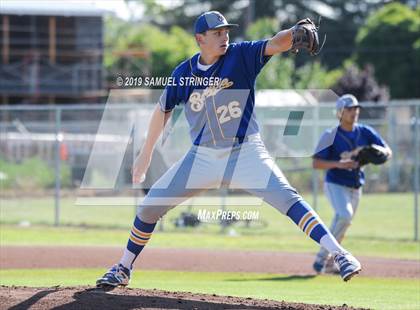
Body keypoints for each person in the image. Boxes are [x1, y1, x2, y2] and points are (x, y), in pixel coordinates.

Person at [96, 11, 362, 287]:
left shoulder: (241, 56)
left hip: (246, 151)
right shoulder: (184, 73)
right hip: (202, 156)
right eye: (217, 33)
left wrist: (295, 32)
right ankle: (123, 267)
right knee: (149, 209)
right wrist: (146, 153)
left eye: (226, 32)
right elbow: (162, 110)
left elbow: (276, 43)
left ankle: (339, 254)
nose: (225, 37)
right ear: (200, 39)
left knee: (289, 200)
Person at [312, 94, 392, 274]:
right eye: (349, 109)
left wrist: (382, 153)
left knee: (343, 222)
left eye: (356, 109)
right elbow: (316, 163)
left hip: (356, 185)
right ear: (340, 113)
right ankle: (321, 258)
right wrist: (339, 164)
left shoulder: (365, 132)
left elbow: (388, 150)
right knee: (344, 216)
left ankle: (331, 263)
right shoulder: (330, 135)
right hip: (335, 183)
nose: (354, 112)